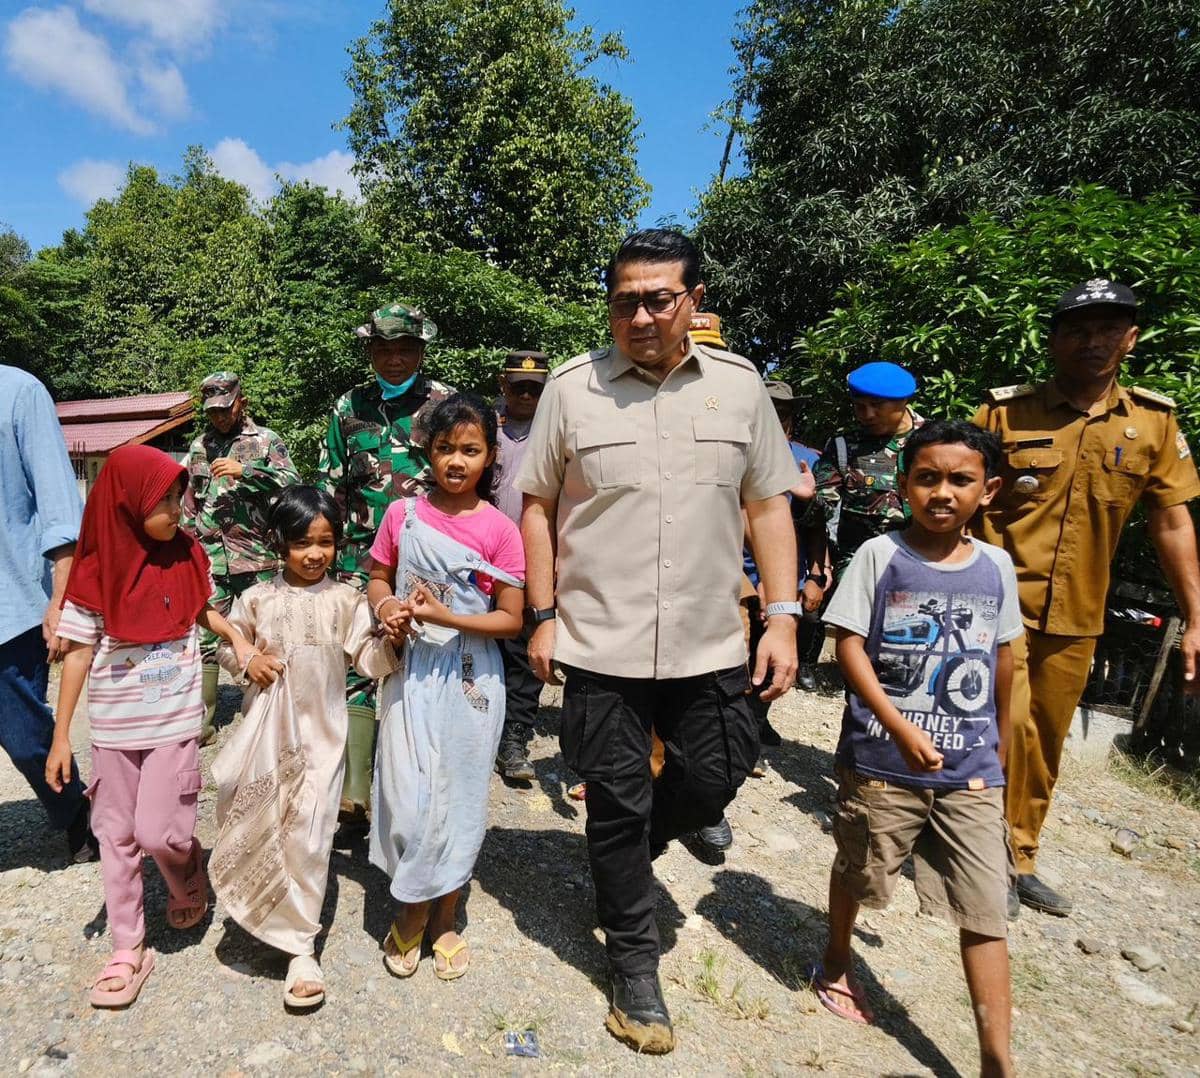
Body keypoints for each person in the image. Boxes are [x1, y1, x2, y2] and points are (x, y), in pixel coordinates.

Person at [516, 229, 802, 1054]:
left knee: (713, 778)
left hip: (710, 637)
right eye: (624, 300)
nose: (640, 314)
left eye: (658, 298)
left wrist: (781, 615)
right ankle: (634, 965)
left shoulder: (741, 388)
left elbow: (769, 507)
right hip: (601, 639)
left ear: (694, 301)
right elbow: (536, 504)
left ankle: (629, 856)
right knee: (612, 796)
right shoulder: (572, 390)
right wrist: (542, 615)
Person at [972, 279, 1200, 917]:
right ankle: (978, 852)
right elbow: (958, 497)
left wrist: (1196, 618)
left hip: (1078, 612)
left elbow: (1172, 521)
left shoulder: (1152, 423)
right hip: (996, 603)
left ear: (1131, 338)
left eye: (1109, 328)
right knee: (997, 724)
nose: (1093, 341)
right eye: (1078, 329)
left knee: (1044, 738)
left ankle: (1018, 854)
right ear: (1053, 340)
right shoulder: (1004, 414)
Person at [815, 420, 1019, 1077]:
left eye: (960, 480)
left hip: (972, 769)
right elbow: (848, 644)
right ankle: (838, 961)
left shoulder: (997, 567)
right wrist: (900, 728)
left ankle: (997, 1058)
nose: (942, 492)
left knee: (987, 906)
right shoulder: (881, 555)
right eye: (926, 477)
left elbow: (1004, 663)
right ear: (904, 485)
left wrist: (1003, 755)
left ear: (987, 491)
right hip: (880, 763)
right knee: (860, 869)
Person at [44, 446, 257, 1009]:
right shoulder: (96, 570)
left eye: (177, 497)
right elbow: (77, 655)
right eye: (163, 500)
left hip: (173, 721)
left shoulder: (186, 553)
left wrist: (236, 638)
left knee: (161, 830)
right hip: (114, 729)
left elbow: (199, 611)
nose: (177, 510)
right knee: (115, 833)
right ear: (128, 503)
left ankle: (187, 872)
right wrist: (63, 734)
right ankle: (127, 947)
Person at [209, 487, 400, 1010]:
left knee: (313, 834)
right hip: (266, 734)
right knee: (259, 819)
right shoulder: (257, 598)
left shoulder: (346, 599)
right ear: (279, 544)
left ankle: (300, 948)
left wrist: (395, 641)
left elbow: (368, 657)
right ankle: (261, 912)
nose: (315, 554)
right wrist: (247, 662)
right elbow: (227, 643)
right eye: (301, 543)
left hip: (324, 734)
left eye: (326, 542)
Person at [367, 393, 525, 982]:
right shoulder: (400, 517)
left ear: (489, 456)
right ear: (427, 453)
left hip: (469, 677)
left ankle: (445, 918)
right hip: (411, 673)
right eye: (444, 449)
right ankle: (409, 906)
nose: (455, 461)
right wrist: (387, 609)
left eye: (470, 450)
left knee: (458, 798)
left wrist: (446, 617)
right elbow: (378, 576)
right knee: (407, 794)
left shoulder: (500, 530)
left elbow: (510, 618)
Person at [318, 303, 453, 830]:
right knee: (356, 659)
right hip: (356, 554)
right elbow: (331, 482)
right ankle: (355, 792)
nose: (394, 359)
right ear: (370, 350)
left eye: (405, 349)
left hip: (424, 558)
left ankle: (418, 787)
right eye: (383, 349)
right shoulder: (347, 405)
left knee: (422, 661)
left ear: (421, 350)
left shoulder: (444, 404)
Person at [0, 365, 96, 864]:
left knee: (24, 735)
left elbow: (59, 505)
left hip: (10, 599)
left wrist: (61, 600)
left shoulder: (18, 391)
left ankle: (75, 810)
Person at [182, 371, 299, 745]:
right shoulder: (199, 447)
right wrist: (189, 543)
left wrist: (245, 470)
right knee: (203, 635)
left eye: (225, 409)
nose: (219, 417)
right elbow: (189, 500)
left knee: (265, 633)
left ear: (241, 403)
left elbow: (292, 482)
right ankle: (203, 721)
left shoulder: (265, 440)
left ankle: (267, 712)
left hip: (257, 555)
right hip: (211, 557)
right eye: (213, 411)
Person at [805, 361, 924, 586]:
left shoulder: (939, 442)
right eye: (859, 406)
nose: (867, 415)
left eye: (877, 404)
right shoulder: (844, 448)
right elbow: (820, 516)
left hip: (926, 566)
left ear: (903, 400)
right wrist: (808, 499)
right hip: (862, 572)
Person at [492, 350, 550, 782]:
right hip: (484, 556)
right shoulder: (482, 426)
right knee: (480, 644)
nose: (527, 394)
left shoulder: (557, 431)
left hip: (536, 559)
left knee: (526, 651)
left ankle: (515, 736)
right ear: (503, 385)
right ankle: (479, 727)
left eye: (536, 387)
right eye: (519, 386)